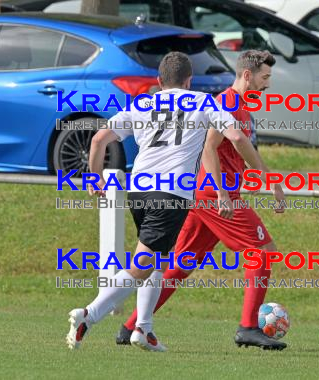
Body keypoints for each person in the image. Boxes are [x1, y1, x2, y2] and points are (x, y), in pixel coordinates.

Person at [65, 51, 269, 352]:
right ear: (189, 80)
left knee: (157, 259)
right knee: (143, 265)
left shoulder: (143, 103)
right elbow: (237, 139)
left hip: (139, 190)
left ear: (159, 81)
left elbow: (98, 140)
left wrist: (94, 177)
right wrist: (263, 174)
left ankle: (143, 329)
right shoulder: (202, 102)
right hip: (171, 193)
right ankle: (89, 314)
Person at [116, 50, 288, 350]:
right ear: (247, 75)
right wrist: (227, 191)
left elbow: (238, 149)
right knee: (262, 252)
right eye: (265, 77)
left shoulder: (242, 107)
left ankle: (131, 326)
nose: (267, 84)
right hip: (213, 196)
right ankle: (248, 327)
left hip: (201, 197)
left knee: (181, 264)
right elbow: (209, 148)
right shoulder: (227, 103)